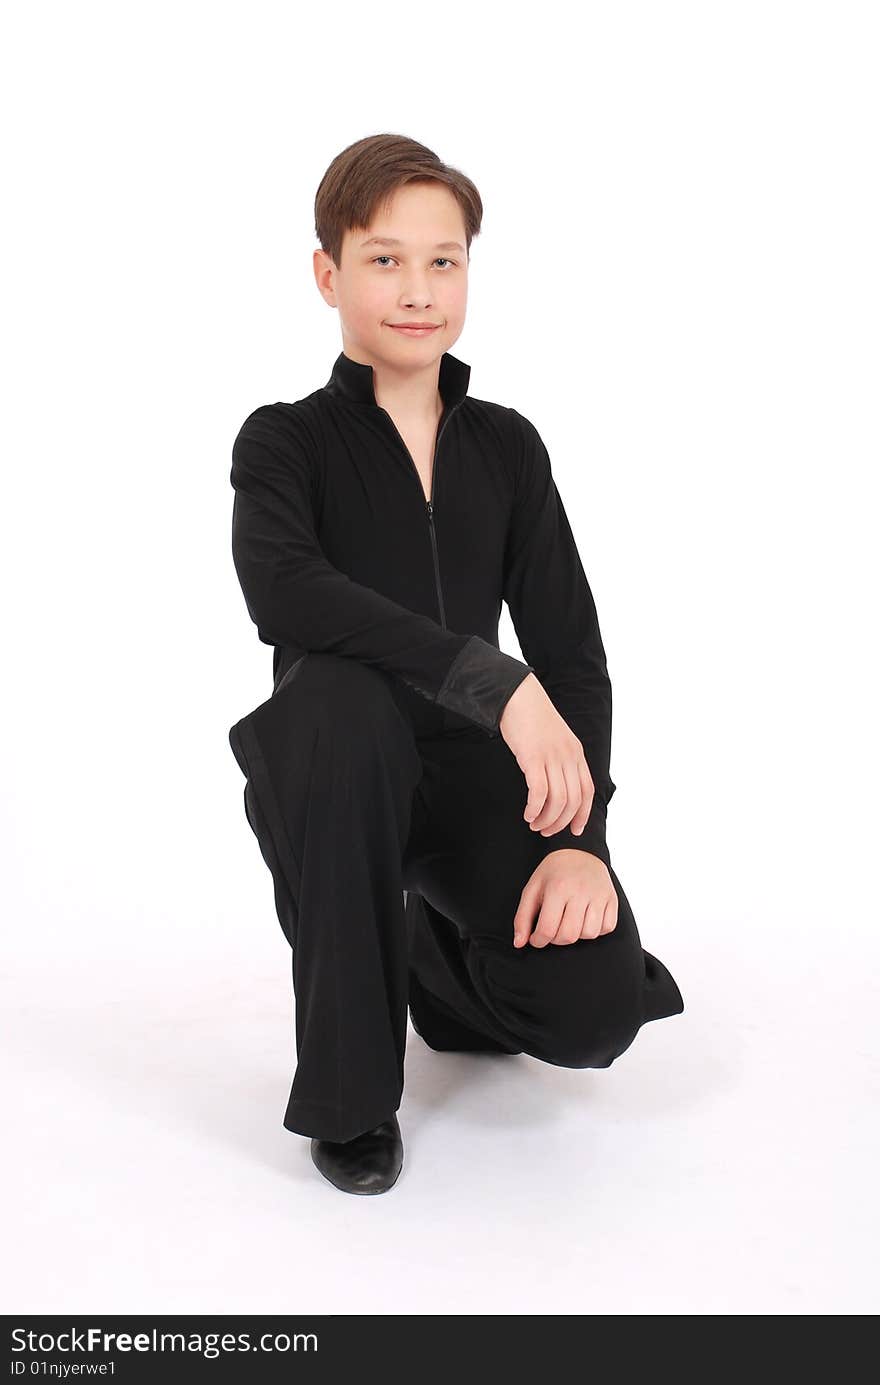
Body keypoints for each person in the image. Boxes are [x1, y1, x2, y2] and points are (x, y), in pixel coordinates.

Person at [227, 132, 685, 1197]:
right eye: (385, 258)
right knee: (339, 699)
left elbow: (570, 650)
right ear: (327, 273)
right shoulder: (284, 443)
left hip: (478, 775)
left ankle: (434, 958)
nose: (418, 288)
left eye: (445, 260)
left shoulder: (508, 448)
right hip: (338, 771)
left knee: (592, 1011)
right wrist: (490, 676)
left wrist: (582, 839)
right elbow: (287, 593)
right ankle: (351, 1095)